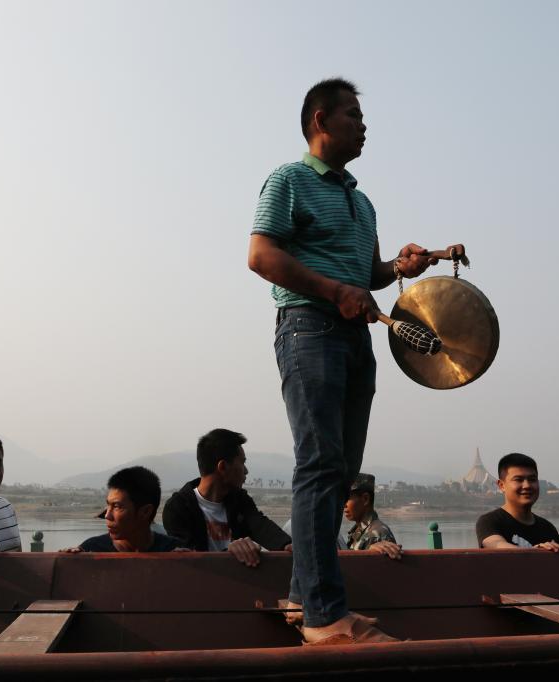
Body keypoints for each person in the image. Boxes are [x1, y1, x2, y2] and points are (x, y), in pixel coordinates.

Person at [248, 77, 457, 645]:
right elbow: (261, 255)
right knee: (319, 464)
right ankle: (324, 617)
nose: (363, 127)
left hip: (355, 339)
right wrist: (334, 290)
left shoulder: (362, 202)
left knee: (339, 472)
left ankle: (303, 598)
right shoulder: (288, 180)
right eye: (353, 116)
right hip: (308, 328)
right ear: (320, 120)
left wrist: (399, 268)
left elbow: (367, 276)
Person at [162, 429, 291, 566]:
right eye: (242, 462)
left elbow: (260, 525)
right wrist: (228, 553)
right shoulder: (178, 508)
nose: (246, 471)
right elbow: (189, 558)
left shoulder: (240, 500)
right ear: (222, 467)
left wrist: (287, 544)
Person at [67, 466, 184, 553]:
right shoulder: (91, 549)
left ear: (145, 512)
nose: (107, 516)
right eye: (108, 505)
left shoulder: (174, 551)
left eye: (117, 506)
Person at [475, 453, 559, 552]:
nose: (527, 485)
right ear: (501, 485)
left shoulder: (548, 528)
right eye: (518, 480)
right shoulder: (490, 521)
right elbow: (496, 544)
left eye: (532, 479)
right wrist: (534, 552)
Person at [344, 474, 401, 558]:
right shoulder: (359, 530)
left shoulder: (377, 534)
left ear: (365, 499)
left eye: (347, 498)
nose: (344, 504)